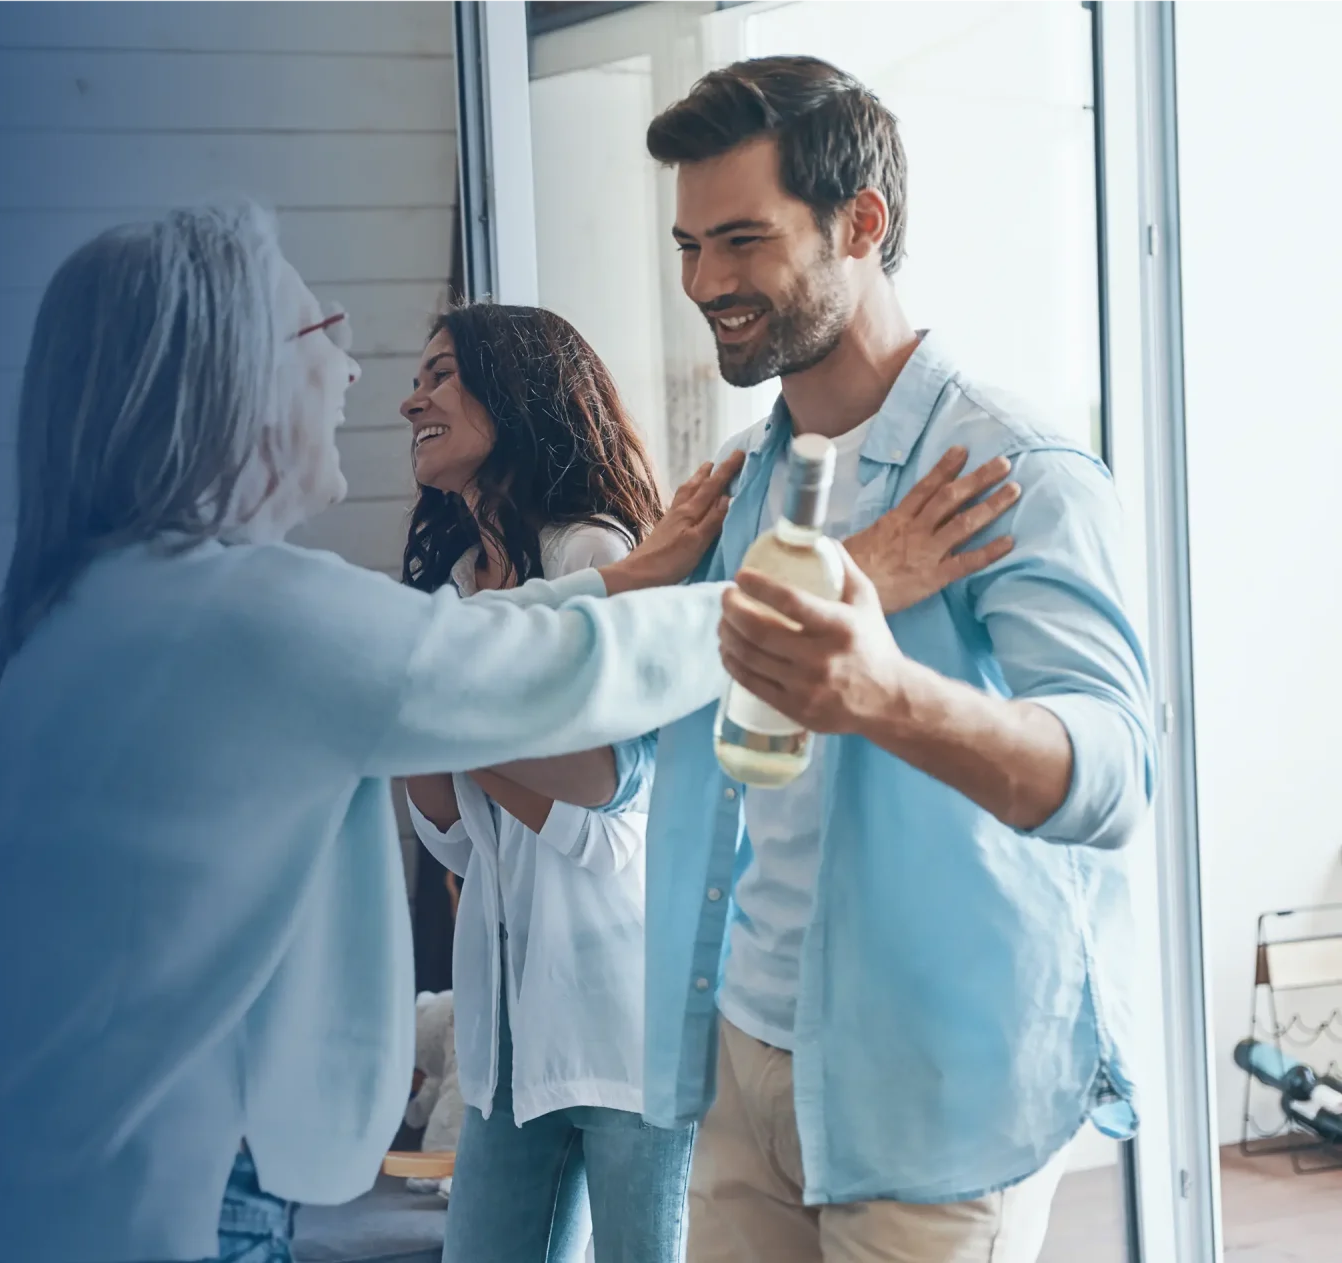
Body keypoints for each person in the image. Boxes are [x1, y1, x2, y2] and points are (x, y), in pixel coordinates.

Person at [0, 201, 747, 1263]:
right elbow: (543, 670)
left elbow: (456, 644)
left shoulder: (96, 603)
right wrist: (821, 589)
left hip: (31, 1196)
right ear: (232, 378)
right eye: (327, 337)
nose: (361, 379)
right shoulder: (241, 614)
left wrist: (620, 578)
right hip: (153, 1215)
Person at [636, 58, 1154, 1263]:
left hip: (931, 1089)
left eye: (740, 241)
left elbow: (1114, 772)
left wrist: (884, 692)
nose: (705, 284)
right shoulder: (744, 478)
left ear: (860, 222)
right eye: (687, 247)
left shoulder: (1012, 468)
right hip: (746, 1062)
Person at [398, 304, 1018, 1263]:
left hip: (623, 1023)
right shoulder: (450, 592)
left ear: (510, 388)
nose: (413, 398)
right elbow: (449, 835)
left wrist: (440, 712)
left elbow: (611, 812)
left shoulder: (600, 557)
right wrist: (451, 715)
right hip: (503, 1040)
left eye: (440, 373)